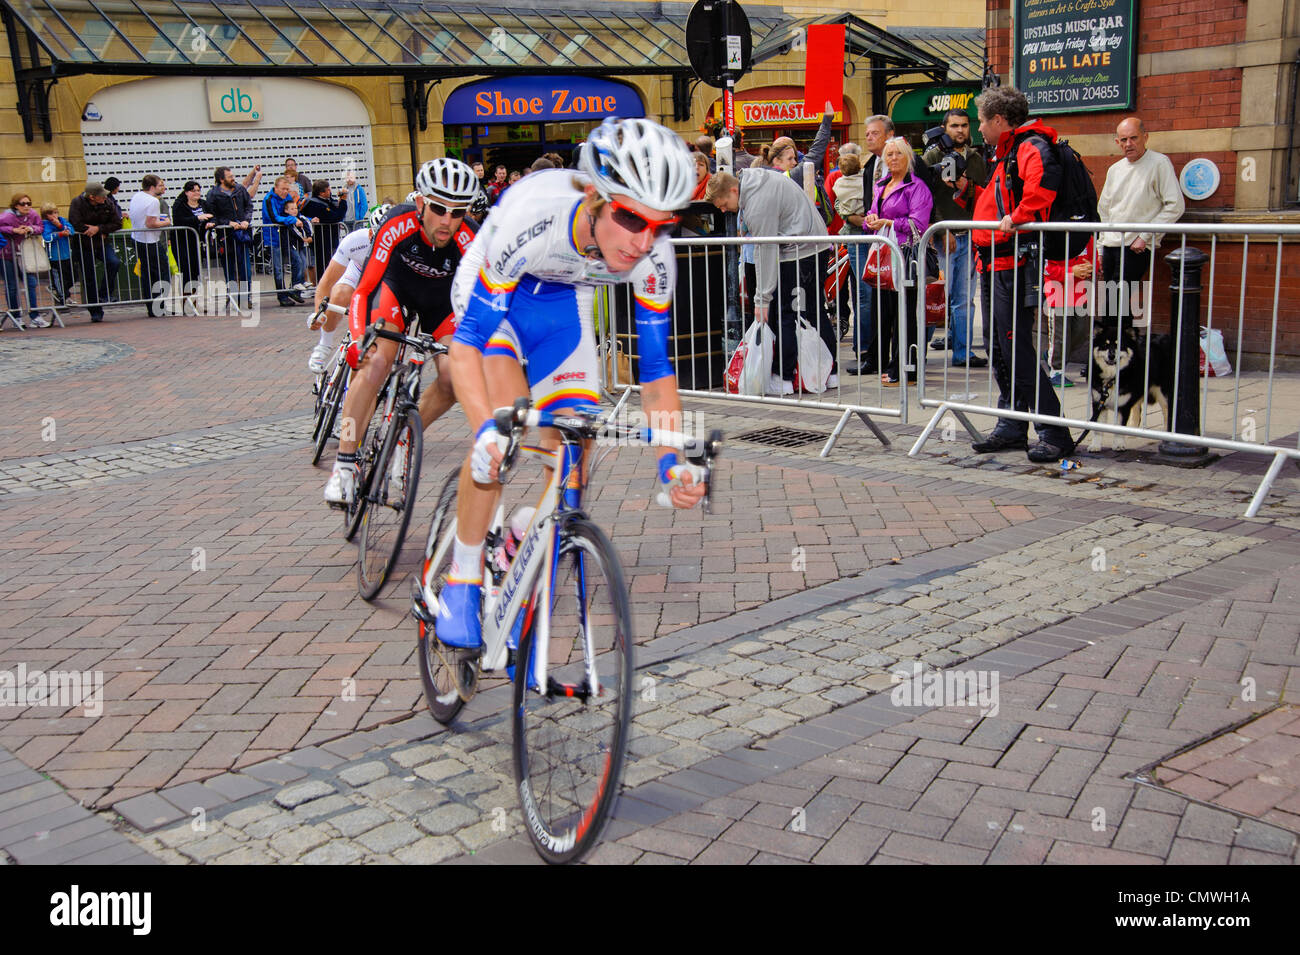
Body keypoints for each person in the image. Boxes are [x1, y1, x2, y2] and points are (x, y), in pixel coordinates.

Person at [433, 119, 708, 651]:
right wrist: (485, 428)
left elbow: (654, 370)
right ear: (593, 195)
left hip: (564, 307)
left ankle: (521, 538)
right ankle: (462, 579)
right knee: (505, 431)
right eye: (630, 217)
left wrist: (669, 458)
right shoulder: (533, 215)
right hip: (500, 301)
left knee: (569, 451)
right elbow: (467, 344)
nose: (643, 240)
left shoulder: (652, 253)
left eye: (661, 224)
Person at [323, 160, 479, 506]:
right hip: (396, 291)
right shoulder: (397, 223)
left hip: (442, 304)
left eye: (457, 212)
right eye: (439, 208)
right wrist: (359, 337)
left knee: (454, 377)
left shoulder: (470, 236)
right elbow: (363, 291)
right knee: (375, 362)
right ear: (421, 203)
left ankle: (403, 435)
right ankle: (344, 465)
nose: (447, 220)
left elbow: (484, 301)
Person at [968, 86, 1075, 462]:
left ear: (999, 119)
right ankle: (1012, 425)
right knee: (999, 348)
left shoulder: (1030, 147)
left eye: (982, 120)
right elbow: (1000, 200)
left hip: (1014, 263)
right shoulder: (1009, 151)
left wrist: (1016, 218)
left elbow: (1041, 191)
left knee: (1018, 350)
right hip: (994, 262)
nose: (979, 128)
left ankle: (1054, 433)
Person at [706, 166, 838, 393]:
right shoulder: (758, 180)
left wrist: (762, 298)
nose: (725, 210)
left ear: (733, 191)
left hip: (798, 250)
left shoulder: (756, 202)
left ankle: (784, 378)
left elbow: (765, 249)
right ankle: (830, 372)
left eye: (724, 204)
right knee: (815, 310)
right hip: (813, 245)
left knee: (784, 313)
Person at [1096, 116, 1185, 328]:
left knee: (1116, 300)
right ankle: (1121, 352)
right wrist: (1100, 248)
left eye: (1134, 138)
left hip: (1136, 247)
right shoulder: (1115, 169)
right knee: (1114, 302)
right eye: (1124, 140)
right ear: (1117, 142)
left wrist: (1145, 236)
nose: (1129, 144)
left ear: (1145, 137)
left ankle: (1117, 350)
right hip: (1111, 245)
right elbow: (1104, 210)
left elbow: (1175, 205)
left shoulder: (1159, 163)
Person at [865, 137, 934, 386]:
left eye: (898, 154)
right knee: (890, 312)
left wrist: (889, 223)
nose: (893, 158)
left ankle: (909, 368)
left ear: (908, 157)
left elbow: (919, 225)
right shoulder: (881, 185)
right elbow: (869, 217)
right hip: (885, 253)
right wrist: (872, 220)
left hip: (907, 255)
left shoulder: (917, 188)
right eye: (889, 154)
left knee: (907, 314)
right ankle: (896, 364)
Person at [923, 108, 988, 368]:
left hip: (970, 236)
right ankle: (918, 354)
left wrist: (966, 187)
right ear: (944, 128)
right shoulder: (932, 156)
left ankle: (963, 353)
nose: (960, 130)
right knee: (935, 298)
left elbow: (982, 200)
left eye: (964, 125)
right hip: (941, 240)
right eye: (954, 126)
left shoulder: (975, 158)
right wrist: (941, 228)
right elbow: (925, 197)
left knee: (964, 300)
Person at [307, 202, 390, 373]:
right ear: (369, 232)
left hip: (383, 278)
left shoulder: (401, 245)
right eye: (376, 237)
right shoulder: (355, 240)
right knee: (340, 294)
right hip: (357, 271)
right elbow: (327, 282)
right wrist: (318, 312)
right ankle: (324, 345)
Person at [68, 181, 123, 323]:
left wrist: (99, 229)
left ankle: (104, 294)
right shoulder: (77, 203)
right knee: (89, 277)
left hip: (101, 243)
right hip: (83, 244)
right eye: (101, 196)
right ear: (92, 197)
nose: (104, 197)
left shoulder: (107, 203)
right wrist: (91, 230)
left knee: (114, 262)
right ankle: (95, 311)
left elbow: (117, 222)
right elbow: (75, 223)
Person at [207, 166, 256, 311]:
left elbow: (249, 206)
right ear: (221, 179)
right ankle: (233, 296)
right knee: (229, 268)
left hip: (242, 234)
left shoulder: (240, 190)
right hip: (226, 236)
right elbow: (212, 215)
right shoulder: (213, 194)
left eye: (232, 175)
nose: (233, 178)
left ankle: (246, 297)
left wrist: (246, 220)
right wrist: (228, 223)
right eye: (229, 176)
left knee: (245, 268)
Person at [0, 193, 47, 327]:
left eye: (28, 203)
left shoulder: (33, 214)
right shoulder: (6, 216)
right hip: (7, 254)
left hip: (25, 254)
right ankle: (16, 316)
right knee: (12, 286)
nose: (26, 206)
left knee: (31, 283)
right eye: (23, 204)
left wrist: (31, 229)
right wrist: (13, 230)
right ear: (16, 206)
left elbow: (40, 227)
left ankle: (35, 315)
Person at [127, 175, 171, 317]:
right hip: (149, 241)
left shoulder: (137, 196)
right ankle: (159, 306)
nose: (163, 188)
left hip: (137, 238)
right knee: (161, 273)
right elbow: (150, 223)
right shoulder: (153, 201)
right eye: (160, 185)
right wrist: (166, 222)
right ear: (152, 187)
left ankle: (152, 307)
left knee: (147, 274)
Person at [262, 176, 307, 307]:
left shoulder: (287, 197)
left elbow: (293, 213)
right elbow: (274, 218)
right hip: (274, 237)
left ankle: (294, 289)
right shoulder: (268, 199)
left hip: (287, 237)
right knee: (278, 268)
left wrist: (305, 219)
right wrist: (292, 220)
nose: (285, 191)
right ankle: (282, 296)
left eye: (287, 189)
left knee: (298, 261)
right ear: (276, 188)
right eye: (283, 189)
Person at [171, 180, 213, 314]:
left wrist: (210, 223)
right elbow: (179, 220)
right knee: (186, 272)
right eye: (193, 190)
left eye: (198, 190)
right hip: (182, 243)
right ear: (187, 192)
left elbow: (212, 216)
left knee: (196, 273)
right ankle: (186, 303)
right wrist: (198, 218)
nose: (197, 193)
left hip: (198, 242)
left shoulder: (204, 203)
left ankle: (194, 302)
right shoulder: (180, 205)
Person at [300, 179, 350, 286]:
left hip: (330, 238)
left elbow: (335, 209)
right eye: (328, 190)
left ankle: (329, 285)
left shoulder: (326, 201)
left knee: (332, 262)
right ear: (321, 193)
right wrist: (344, 201)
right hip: (321, 240)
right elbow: (335, 217)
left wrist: (340, 199)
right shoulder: (315, 204)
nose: (330, 191)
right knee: (323, 264)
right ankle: (324, 286)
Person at [40, 202, 76, 310]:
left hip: (66, 254)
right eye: (50, 214)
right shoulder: (45, 224)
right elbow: (47, 237)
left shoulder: (62, 221)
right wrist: (59, 234)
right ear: (45, 216)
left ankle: (61, 291)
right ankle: (63, 297)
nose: (54, 216)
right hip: (54, 256)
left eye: (55, 212)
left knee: (71, 276)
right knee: (59, 278)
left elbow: (71, 231)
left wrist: (60, 226)